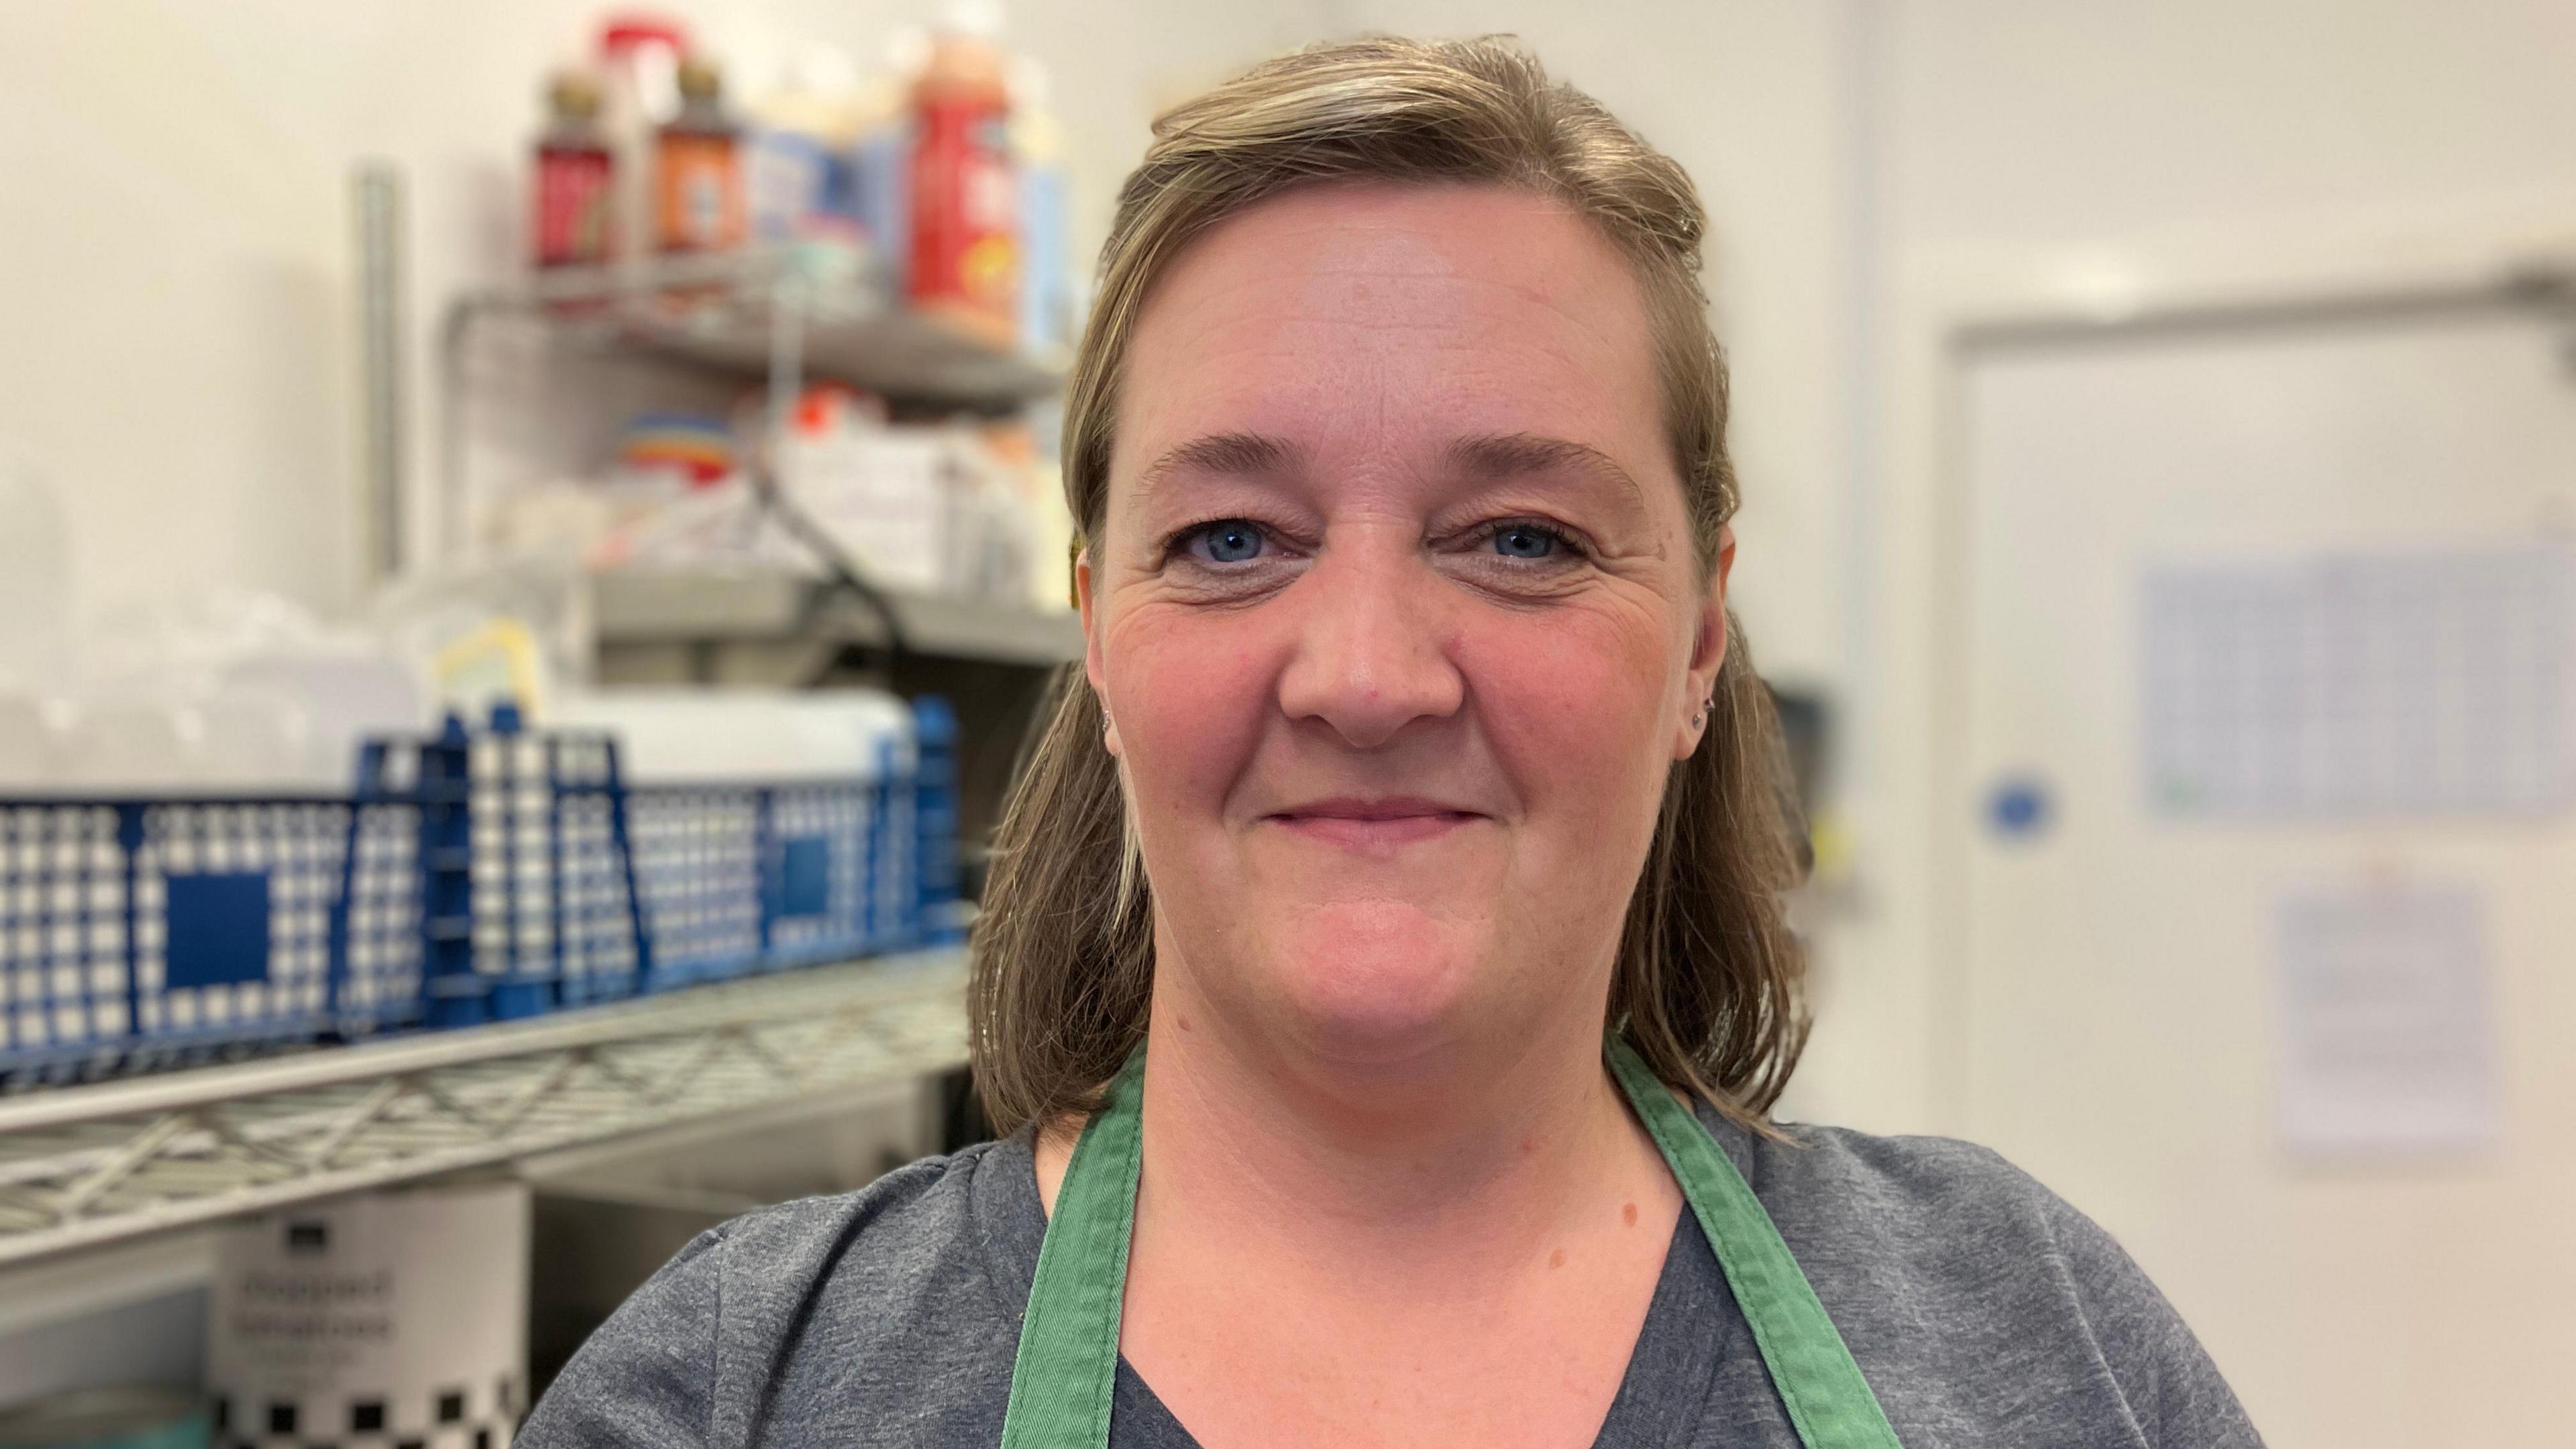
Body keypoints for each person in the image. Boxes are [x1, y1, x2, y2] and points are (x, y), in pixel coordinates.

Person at [521, 35, 2263, 1448]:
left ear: (1701, 641)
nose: (1365, 676)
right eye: (1229, 541)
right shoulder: (740, 1395)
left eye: (1523, 539)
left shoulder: (2038, 1344)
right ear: (1099, 640)